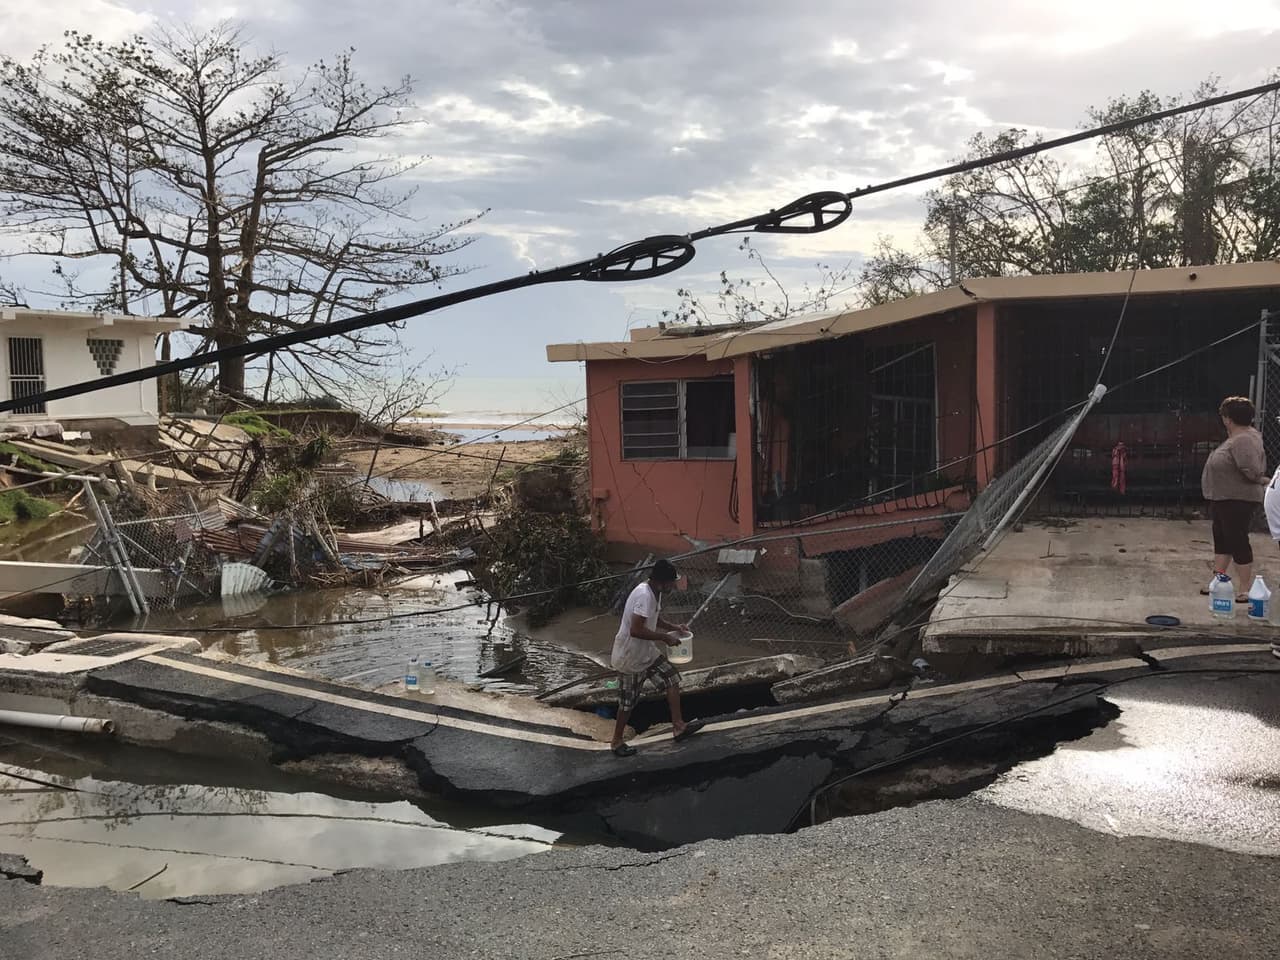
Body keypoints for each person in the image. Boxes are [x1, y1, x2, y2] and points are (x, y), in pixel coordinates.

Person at [608, 558, 705, 757]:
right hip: (630, 656)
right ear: (662, 582)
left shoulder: (655, 592)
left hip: (646, 652)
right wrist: (665, 638)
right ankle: (617, 741)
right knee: (628, 703)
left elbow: (653, 618)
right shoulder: (644, 595)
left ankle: (678, 726)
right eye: (672, 582)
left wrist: (674, 628)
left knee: (671, 678)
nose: (674, 585)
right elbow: (636, 630)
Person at [1201, 396, 1268, 603]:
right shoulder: (1238, 437)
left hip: (1238, 498)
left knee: (1237, 540)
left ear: (1227, 419)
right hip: (1224, 497)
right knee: (1222, 540)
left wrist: (1259, 478)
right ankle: (1219, 581)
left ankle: (1245, 588)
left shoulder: (1244, 439)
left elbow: (1252, 469)